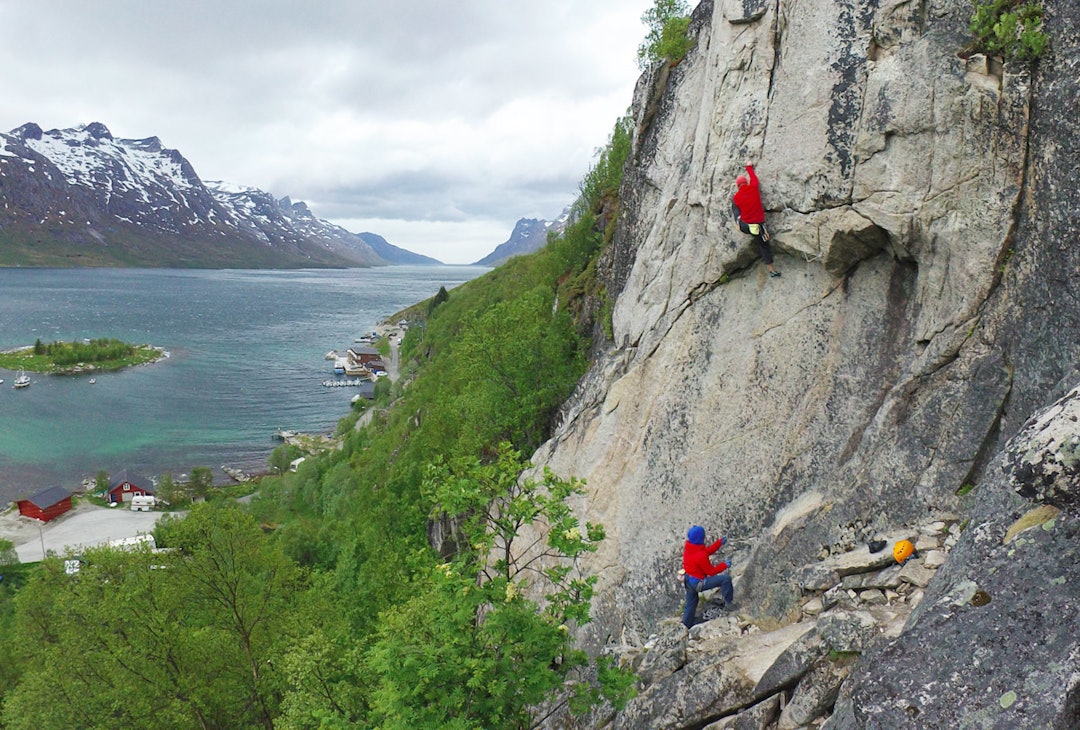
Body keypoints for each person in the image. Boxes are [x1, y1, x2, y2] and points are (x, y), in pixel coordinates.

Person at [731, 163, 780, 278]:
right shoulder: (753, 187)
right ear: (746, 182)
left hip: (745, 226)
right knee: (764, 245)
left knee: (736, 209)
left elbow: (736, 210)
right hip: (757, 226)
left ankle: (738, 223)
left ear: (738, 186)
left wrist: (739, 221)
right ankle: (772, 271)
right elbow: (753, 177)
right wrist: (749, 167)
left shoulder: (736, 198)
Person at [682, 525, 734, 628]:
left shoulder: (689, 549)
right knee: (726, 579)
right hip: (698, 583)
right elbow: (711, 572)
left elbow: (706, 552)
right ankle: (729, 605)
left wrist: (719, 543)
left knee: (691, 603)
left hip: (688, 581)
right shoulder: (700, 555)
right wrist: (724, 565)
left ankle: (686, 625)